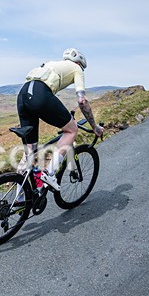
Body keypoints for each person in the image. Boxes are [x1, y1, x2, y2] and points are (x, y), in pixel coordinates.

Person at [16, 48, 104, 191]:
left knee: (30, 152)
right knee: (71, 130)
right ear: (80, 63)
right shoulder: (77, 69)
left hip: (22, 95)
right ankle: (49, 173)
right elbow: (82, 101)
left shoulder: (52, 64)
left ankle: (20, 197)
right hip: (39, 94)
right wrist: (95, 127)